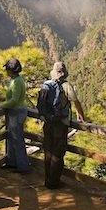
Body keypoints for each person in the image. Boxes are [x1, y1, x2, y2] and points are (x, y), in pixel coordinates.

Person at [42, 61, 86, 189]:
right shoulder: (66, 86)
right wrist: (81, 116)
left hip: (48, 122)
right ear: (64, 73)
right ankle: (54, 183)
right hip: (60, 124)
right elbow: (75, 101)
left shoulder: (47, 85)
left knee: (48, 151)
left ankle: (47, 180)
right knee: (58, 153)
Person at [0, 58, 30, 173]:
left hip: (16, 113)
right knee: (13, 138)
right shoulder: (16, 80)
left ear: (11, 70)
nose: (6, 71)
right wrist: (4, 100)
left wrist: (2, 105)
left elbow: (15, 100)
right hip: (16, 112)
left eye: (7, 69)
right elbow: (13, 97)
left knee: (18, 140)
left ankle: (23, 167)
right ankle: (12, 163)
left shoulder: (16, 81)